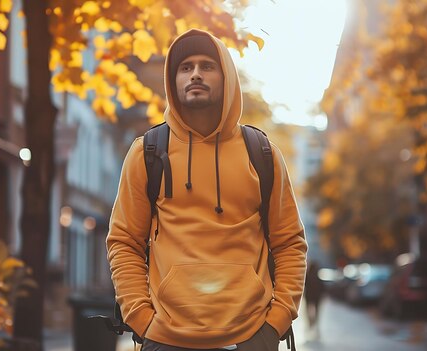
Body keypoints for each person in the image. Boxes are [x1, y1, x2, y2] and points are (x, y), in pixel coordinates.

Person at [106, 29, 307, 351]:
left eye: (206, 66)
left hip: (252, 336)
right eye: (185, 68)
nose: (195, 74)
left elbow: (289, 244)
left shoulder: (262, 153)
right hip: (165, 336)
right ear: (173, 81)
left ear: (225, 77)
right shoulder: (148, 152)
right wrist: (140, 317)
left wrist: (277, 322)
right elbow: (124, 241)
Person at [303, 262, 325, 330]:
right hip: (317, 297)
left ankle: (310, 322)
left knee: (307, 310)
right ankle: (315, 321)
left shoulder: (307, 276)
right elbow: (323, 287)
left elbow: (303, 286)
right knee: (317, 310)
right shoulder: (318, 277)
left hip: (309, 296)